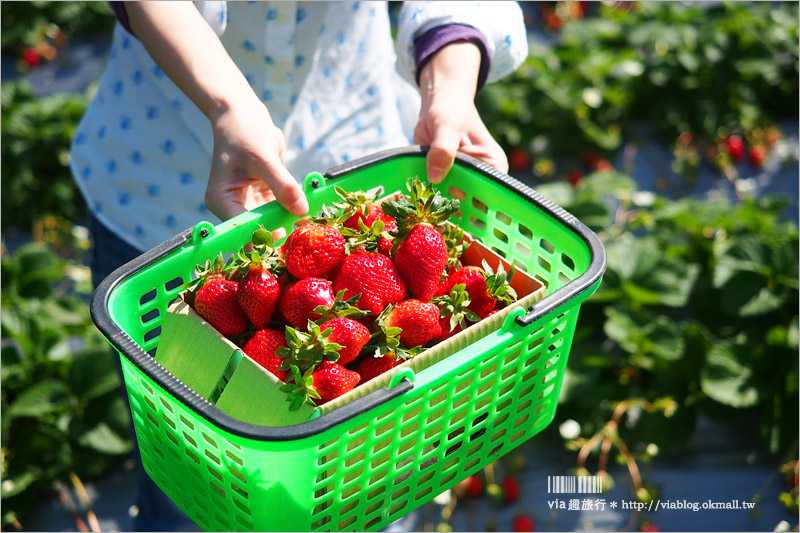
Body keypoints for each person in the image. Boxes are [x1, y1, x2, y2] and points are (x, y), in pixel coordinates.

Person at [70, 1, 527, 530]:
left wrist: (447, 86)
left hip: (352, 157)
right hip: (163, 176)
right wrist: (226, 103)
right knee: (190, 467)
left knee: (364, 479)